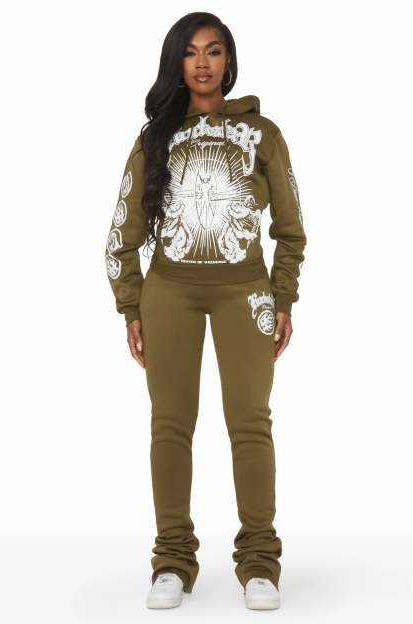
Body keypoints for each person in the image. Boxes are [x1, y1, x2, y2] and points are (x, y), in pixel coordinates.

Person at [105, 11, 307, 611]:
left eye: (213, 51)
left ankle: (260, 562)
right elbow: (122, 233)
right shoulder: (153, 139)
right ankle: (172, 559)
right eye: (190, 52)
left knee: (251, 422)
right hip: (169, 294)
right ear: (176, 63)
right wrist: (130, 306)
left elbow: (291, 229)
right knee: (170, 425)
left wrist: (283, 296)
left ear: (228, 60)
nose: (202, 63)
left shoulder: (263, 134)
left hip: (245, 294)